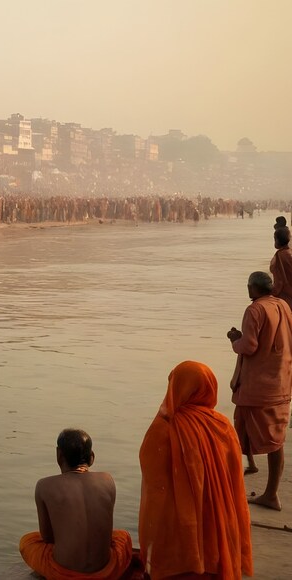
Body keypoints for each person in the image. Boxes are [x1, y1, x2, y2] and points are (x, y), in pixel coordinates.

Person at [139, 361, 252, 579]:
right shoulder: (223, 425)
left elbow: (155, 489)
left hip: (177, 529)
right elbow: (234, 479)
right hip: (218, 521)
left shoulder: (163, 428)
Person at [19, 429, 133, 579]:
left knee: (28, 541)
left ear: (59, 455)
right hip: (106, 572)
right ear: (91, 458)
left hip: (63, 573)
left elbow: (47, 538)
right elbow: (105, 530)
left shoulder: (44, 486)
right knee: (123, 536)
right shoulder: (107, 480)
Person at [227, 270, 292, 510]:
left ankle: (270, 494)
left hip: (258, 386)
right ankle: (252, 467)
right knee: (263, 433)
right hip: (280, 380)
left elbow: (250, 345)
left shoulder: (254, 309)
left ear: (253, 288)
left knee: (256, 435)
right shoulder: (283, 305)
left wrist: (235, 339)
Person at [270, 224, 292, 307]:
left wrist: (270, 294)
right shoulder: (289, 252)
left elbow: (279, 282)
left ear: (277, 240)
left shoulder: (279, 256)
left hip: (285, 298)